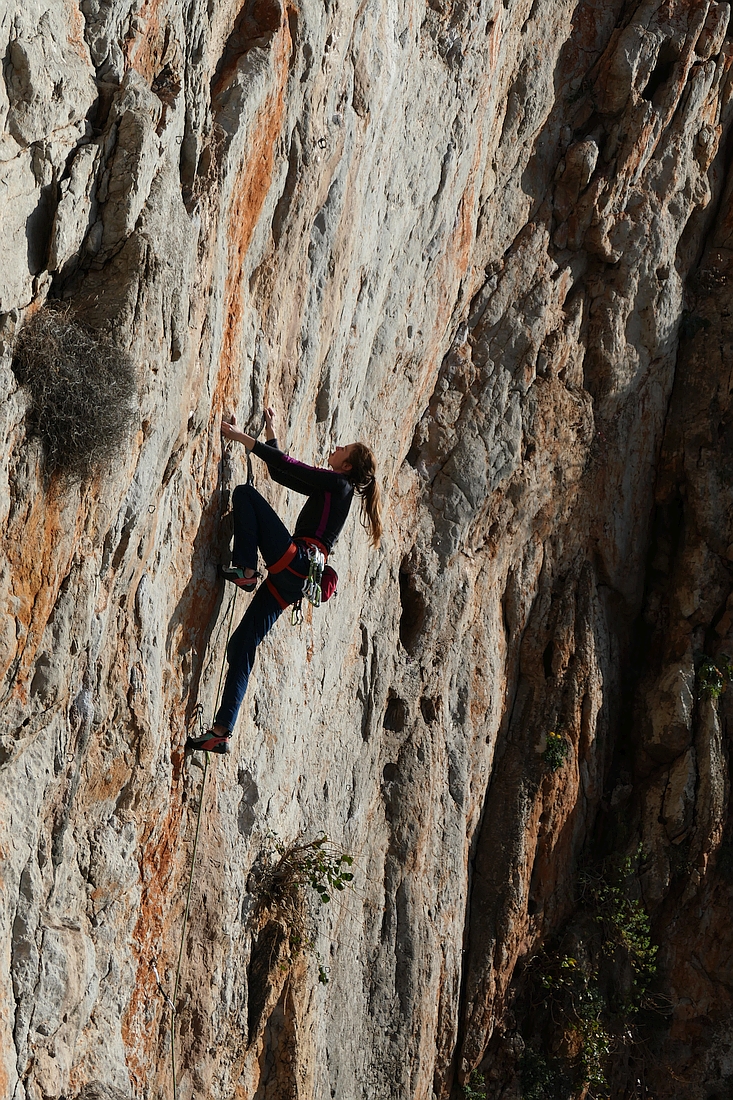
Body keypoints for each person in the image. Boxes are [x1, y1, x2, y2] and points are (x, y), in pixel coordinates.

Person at [185, 407, 382, 754]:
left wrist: (241, 438)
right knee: (241, 645)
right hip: (294, 581)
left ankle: (246, 569)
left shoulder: (338, 483)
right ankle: (222, 731)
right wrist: (272, 430)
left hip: (297, 563)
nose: (336, 447)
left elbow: (292, 466)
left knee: (245, 495)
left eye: (343, 449)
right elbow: (281, 476)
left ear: (347, 465)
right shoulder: (336, 490)